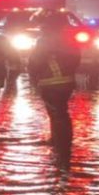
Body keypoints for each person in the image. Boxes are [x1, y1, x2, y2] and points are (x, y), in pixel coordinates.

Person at [28, 11, 81, 152]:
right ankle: (59, 141)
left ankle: (61, 147)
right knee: (60, 112)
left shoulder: (44, 40)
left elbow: (35, 61)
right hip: (67, 82)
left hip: (50, 82)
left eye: (41, 25)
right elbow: (76, 60)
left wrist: (33, 77)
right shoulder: (69, 39)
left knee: (57, 113)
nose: (40, 27)